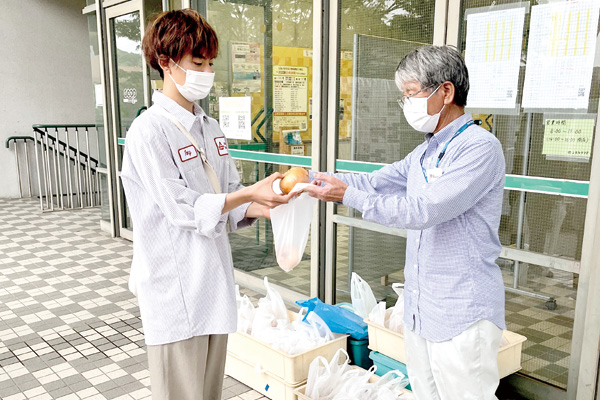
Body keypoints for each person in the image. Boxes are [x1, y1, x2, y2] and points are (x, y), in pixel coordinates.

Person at [303, 45, 506, 400]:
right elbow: (376, 182)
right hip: (421, 310)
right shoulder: (426, 152)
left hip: (461, 310)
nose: (407, 103)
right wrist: (310, 180)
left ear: (446, 91)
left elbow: (424, 210)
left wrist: (346, 196)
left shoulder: (479, 148)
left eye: (411, 93)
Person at [120, 9, 292, 400]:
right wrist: (249, 194)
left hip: (212, 285)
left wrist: (266, 204)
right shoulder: (148, 131)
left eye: (210, 63)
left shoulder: (210, 128)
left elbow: (228, 194)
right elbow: (182, 208)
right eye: (198, 63)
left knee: (209, 393)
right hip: (174, 288)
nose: (207, 72)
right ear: (166, 62)